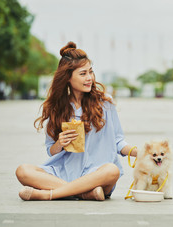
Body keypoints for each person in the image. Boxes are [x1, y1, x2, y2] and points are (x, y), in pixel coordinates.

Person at [15, 42, 138, 201]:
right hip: (65, 172)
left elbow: (117, 141)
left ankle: (49, 194)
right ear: (68, 78)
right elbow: (50, 150)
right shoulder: (57, 108)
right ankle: (84, 193)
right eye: (83, 74)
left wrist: (140, 153)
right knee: (22, 171)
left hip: (97, 175)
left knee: (112, 170)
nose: (89, 78)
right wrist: (60, 143)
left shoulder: (105, 103)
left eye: (91, 72)